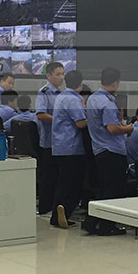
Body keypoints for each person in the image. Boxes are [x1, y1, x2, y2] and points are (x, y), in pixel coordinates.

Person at [83, 67, 133, 236]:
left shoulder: (92, 99)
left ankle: (91, 221)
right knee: (113, 191)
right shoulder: (108, 103)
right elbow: (112, 129)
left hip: (99, 149)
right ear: (116, 83)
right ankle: (106, 226)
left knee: (105, 189)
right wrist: (128, 129)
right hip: (112, 151)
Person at [49, 70, 87, 229]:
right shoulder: (73, 99)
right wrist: (94, 118)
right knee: (72, 184)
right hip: (71, 148)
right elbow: (80, 123)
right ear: (80, 83)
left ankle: (57, 215)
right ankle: (63, 212)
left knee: (63, 183)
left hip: (60, 146)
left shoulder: (62, 96)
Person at [35, 62, 65, 216]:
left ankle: (54, 207)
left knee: (58, 176)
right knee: (48, 176)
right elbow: (40, 114)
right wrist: (60, 120)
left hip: (60, 142)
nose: (61, 77)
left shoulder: (61, 94)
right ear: (48, 75)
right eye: (58, 74)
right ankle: (45, 208)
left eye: (63, 74)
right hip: (49, 141)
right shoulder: (44, 92)